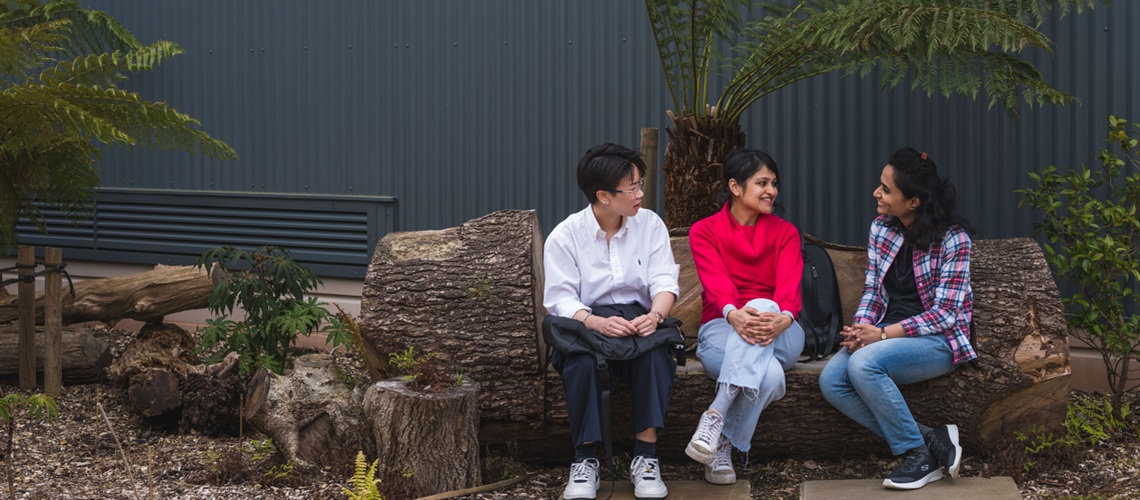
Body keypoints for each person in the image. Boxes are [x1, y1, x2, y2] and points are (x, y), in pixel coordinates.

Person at [819, 147, 975, 490]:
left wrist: (884, 335)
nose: (877, 193)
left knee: (863, 366)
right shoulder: (882, 228)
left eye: (887, 189)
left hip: (939, 341)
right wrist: (861, 329)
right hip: (885, 335)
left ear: (914, 201)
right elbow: (874, 290)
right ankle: (930, 439)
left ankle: (916, 455)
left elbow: (946, 315)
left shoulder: (953, 240)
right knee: (831, 380)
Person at [543, 143, 680, 500]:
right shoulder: (566, 235)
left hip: (641, 319)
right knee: (582, 361)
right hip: (588, 323)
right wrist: (594, 323)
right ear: (603, 195)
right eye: (631, 187)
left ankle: (646, 458)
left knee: (656, 354)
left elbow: (664, 281)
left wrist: (656, 315)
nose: (640, 194)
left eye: (640, 184)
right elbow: (560, 298)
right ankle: (585, 461)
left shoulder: (650, 224)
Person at [685, 148, 805, 485]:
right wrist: (733, 313)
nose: (772, 191)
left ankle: (715, 415)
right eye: (762, 183)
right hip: (722, 327)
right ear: (735, 187)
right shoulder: (704, 231)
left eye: (774, 183)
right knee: (770, 378)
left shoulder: (785, 232)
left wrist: (783, 316)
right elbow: (716, 284)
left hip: (781, 332)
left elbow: (789, 287)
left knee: (765, 306)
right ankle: (724, 446)